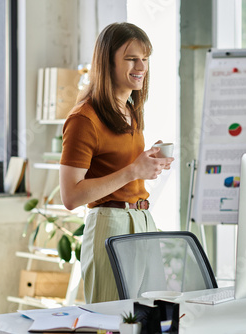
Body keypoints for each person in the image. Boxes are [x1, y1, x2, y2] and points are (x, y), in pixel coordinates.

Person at [59, 22, 174, 303]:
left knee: (150, 317)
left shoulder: (130, 111)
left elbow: (124, 173)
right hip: (110, 223)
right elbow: (71, 196)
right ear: (107, 62)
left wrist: (147, 165)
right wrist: (133, 170)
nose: (141, 66)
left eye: (145, 59)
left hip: (142, 220)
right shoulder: (84, 119)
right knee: (113, 321)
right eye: (131, 58)